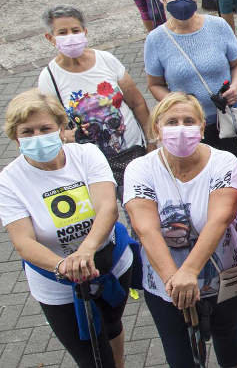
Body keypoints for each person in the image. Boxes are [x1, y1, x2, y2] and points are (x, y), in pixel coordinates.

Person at [0, 89, 133, 368]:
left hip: (109, 263)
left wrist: (85, 251)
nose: (37, 137)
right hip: (56, 280)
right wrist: (64, 265)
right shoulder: (9, 181)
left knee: (111, 327)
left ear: (62, 129)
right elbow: (23, 242)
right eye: (27, 132)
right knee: (92, 358)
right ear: (15, 137)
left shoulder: (86, 154)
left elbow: (107, 208)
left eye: (45, 128)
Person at [124, 93, 237, 368]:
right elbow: (145, 227)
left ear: (201, 127)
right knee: (179, 355)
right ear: (156, 128)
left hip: (226, 276)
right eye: (172, 121)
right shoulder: (140, 169)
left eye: (188, 121)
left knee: (228, 335)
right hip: (166, 282)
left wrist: (189, 271)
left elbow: (220, 219)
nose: (181, 128)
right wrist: (175, 280)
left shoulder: (223, 162)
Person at [144, 0, 237, 236]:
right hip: (189, 128)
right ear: (163, 0)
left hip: (225, 119)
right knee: (199, 175)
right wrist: (176, 103)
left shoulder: (218, 27)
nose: (182, 0)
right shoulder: (156, 40)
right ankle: (210, 223)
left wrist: (235, 86)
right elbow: (154, 83)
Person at [37, 6, 152, 192]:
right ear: (50, 38)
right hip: (91, 166)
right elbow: (50, 128)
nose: (70, 36)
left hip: (133, 154)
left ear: (85, 32)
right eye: (62, 32)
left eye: (75, 30)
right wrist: (68, 136)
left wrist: (152, 140)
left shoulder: (106, 60)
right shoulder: (49, 78)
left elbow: (137, 102)